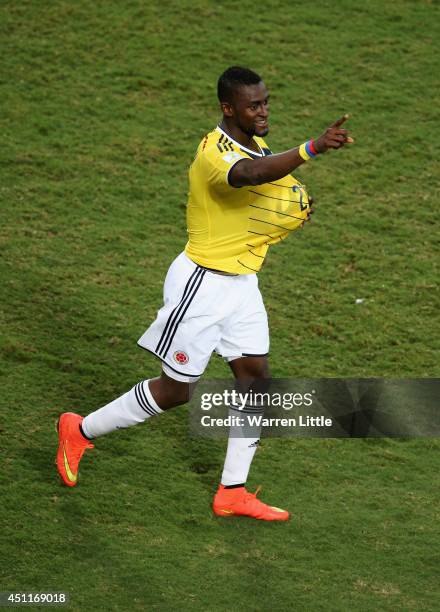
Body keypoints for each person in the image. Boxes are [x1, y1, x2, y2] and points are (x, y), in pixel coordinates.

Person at [56, 66, 353, 521]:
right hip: (202, 285)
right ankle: (79, 429)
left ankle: (232, 491)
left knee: (256, 383)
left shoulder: (255, 142)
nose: (263, 111)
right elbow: (250, 177)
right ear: (227, 107)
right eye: (253, 105)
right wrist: (311, 148)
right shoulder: (214, 153)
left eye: (266, 101)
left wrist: (291, 213)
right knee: (176, 391)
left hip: (241, 284)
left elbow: (260, 192)